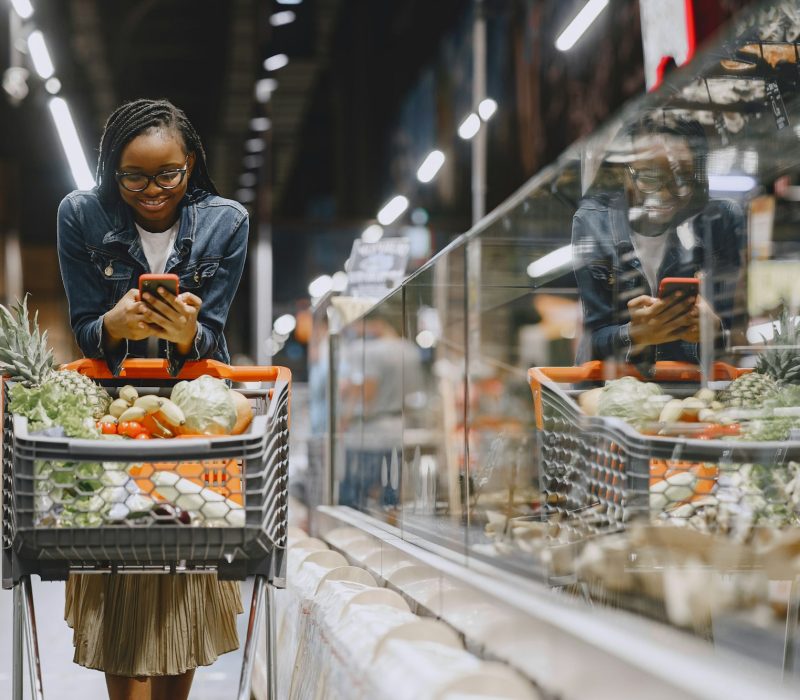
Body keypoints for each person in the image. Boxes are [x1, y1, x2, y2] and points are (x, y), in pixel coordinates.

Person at [56, 99, 248, 700]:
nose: (153, 191)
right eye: (133, 178)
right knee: (117, 577)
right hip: (111, 423)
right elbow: (86, 330)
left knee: (184, 578)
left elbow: (212, 335)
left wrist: (188, 335)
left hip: (192, 423)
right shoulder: (81, 215)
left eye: (169, 174)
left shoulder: (226, 222)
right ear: (111, 171)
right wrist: (113, 325)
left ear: (191, 163)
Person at [572, 116, 745, 369]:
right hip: (614, 386)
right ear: (624, 172)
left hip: (688, 386)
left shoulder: (719, 222)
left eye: (681, 179)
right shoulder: (594, 222)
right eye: (649, 178)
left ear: (697, 175)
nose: (664, 194)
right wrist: (633, 334)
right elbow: (593, 338)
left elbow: (738, 333)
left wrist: (716, 330)